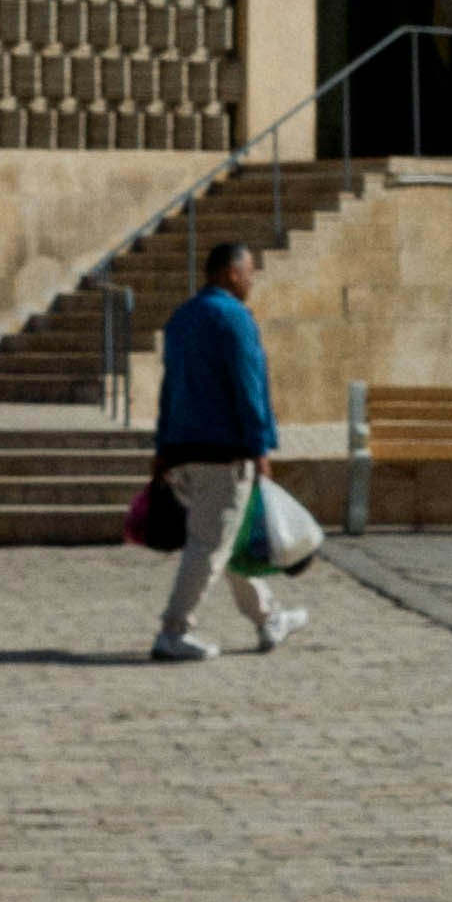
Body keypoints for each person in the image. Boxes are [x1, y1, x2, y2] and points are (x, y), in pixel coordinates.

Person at [146, 237, 302, 662]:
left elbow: (169, 388)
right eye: (250, 271)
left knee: (224, 540)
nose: (252, 279)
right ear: (232, 273)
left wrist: (163, 445)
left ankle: (269, 618)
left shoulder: (181, 319)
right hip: (223, 452)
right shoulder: (235, 319)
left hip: (183, 450)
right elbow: (249, 386)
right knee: (210, 545)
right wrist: (260, 446)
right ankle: (173, 631)